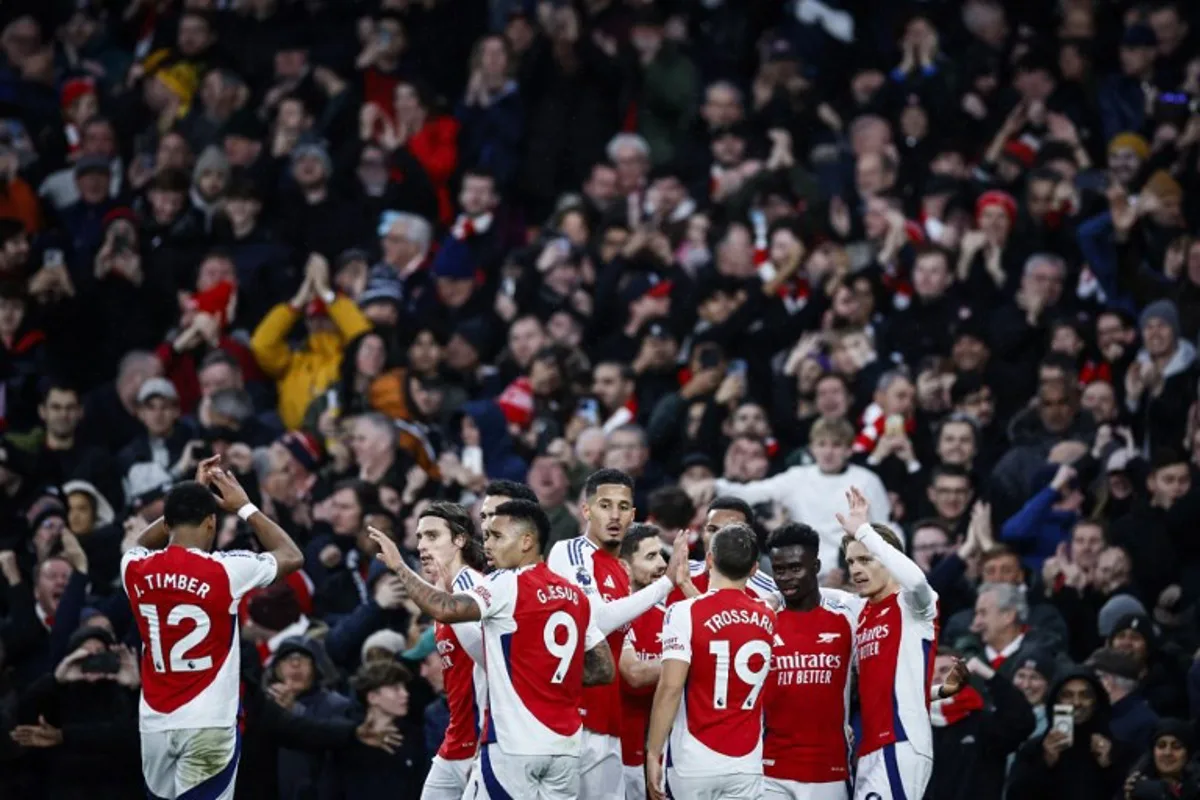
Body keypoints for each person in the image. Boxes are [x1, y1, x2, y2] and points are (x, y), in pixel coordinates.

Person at [369, 499, 615, 799]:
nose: (488, 545)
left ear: (526, 541)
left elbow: (450, 613)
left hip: (503, 742)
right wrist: (542, 674)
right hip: (560, 742)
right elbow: (603, 669)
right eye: (419, 537)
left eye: (497, 537)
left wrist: (399, 566)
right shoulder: (573, 594)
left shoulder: (497, 584)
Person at [120, 456, 304, 800]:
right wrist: (245, 507)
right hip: (208, 722)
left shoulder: (134, 568)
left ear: (169, 521)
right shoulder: (226, 570)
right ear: (210, 524)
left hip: (155, 722)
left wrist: (186, 498)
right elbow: (291, 555)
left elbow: (139, 544)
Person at [546, 468, 689, 798]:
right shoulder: (570, 552)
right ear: (586, 510)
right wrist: (667, 582)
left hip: (609, 724)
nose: (614, 515)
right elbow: (595, 618)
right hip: (570, 725)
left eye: (623, 507)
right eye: (604, 505)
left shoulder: (620, 571)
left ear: (633, 514)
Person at [646, 522, 777, 800]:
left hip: (692, 761)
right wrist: (687, 586)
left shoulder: (683, 612)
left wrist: (653, 752)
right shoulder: (768, 616)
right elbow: (727, 617)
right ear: (754, 569)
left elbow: (670, 688)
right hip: (746, 764)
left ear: (709, 560)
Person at [837, 487, 939, 800]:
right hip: (869, 745)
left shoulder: (914, 604)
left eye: (865, 559)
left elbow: (917, 580)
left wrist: (865, 530)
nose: (855, 569)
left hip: (900, 741)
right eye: (851, 561)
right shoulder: (861, 611)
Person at [761, 521, 861, 800]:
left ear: (816, 567)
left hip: (827, 768)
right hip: (769, 767)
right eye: (779, 570)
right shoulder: (762, 622)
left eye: (796, 568)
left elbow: (877, 680)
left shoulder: (846, 619)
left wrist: (933, 693)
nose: (787, 578)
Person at [415, 501, 488, 800]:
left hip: (480, 743)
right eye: (419, 537)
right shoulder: (446, 591)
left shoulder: (472, 586)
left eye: (432, 536)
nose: (422, 546)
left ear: (460, 540)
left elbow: (493, 658)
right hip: (455, 741)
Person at [616, 523, 669, 800]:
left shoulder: (669, 616)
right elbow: (634, 674)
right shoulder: (608, 614)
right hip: (611, 753)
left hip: (653, 754)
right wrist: (684, 662)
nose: (662, 564)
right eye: (650, 557)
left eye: (661, 554)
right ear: (625, 566)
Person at [667, 496, 781, 606]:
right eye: (712, 529)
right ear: (702, 533)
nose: (719, 538)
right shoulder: (675, 577)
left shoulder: (769, 593)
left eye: (730, 531)